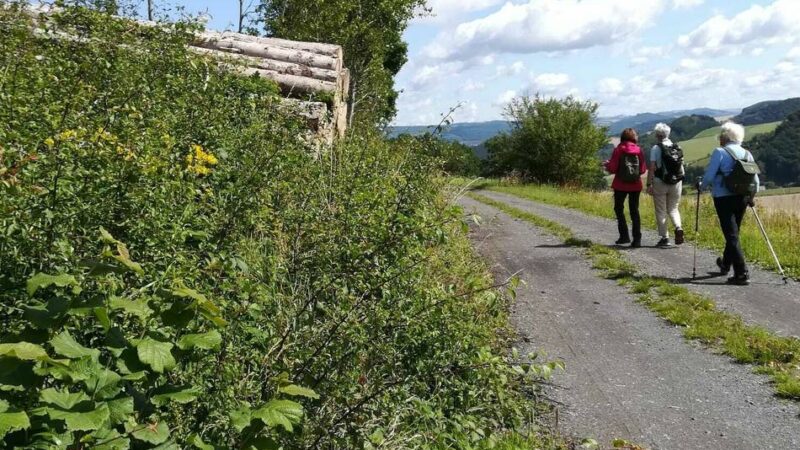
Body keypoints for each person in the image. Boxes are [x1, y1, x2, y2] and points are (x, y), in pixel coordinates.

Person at [699, 122, 760, 286]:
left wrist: (701, 187)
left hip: (723, 197)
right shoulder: (747, 153)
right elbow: (756, 181)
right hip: (742, 198)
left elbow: (709, 176)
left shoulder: (720, 152)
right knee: (734, 232)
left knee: (731, 234)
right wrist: (751, 197)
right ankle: (726, 263)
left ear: (724, 137)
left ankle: (741, 273)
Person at [604, 128, 647, 247]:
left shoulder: (618, 149)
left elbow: (612, 168)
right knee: (634, 211)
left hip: (620, 184)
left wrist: (607, 164)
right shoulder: (639, 150)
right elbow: (643, 170)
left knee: (619, 209)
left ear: (622, 137)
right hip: (635, 184)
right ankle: (637, 240)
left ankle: (624, 236)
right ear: (634, 137)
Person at [646, 123, 684, 247]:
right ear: (668, 134)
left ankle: (665, 237)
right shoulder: (676, 147)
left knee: (661, 210)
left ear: (657, 135)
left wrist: (648, 183)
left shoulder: (656, 148)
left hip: (660, 181)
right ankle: (678, 227)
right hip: (676, 182)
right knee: (673, 208)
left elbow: (652, 167)